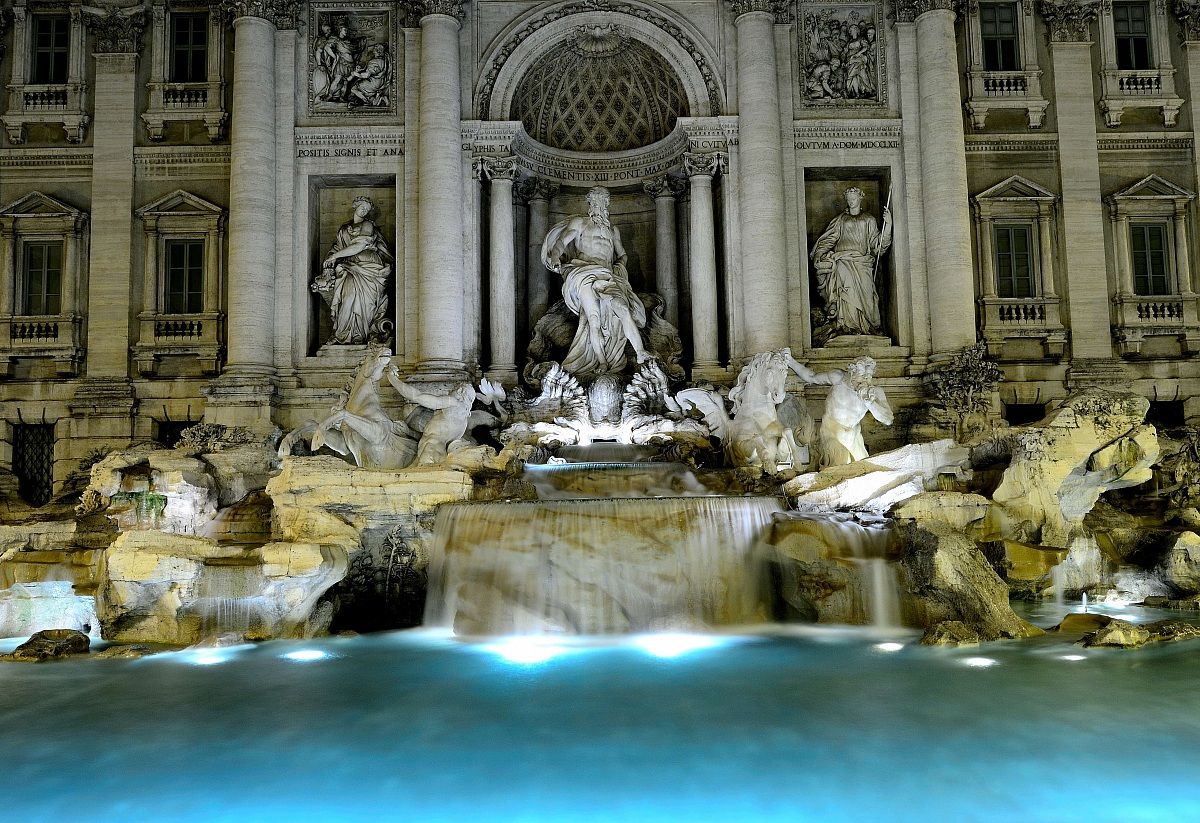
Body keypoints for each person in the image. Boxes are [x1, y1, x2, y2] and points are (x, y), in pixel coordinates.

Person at [540, 186, 652, 377]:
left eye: (604, 201)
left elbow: (622, 254)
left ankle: (641, 352)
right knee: (594, 319)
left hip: (607, 276)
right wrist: (555, 256)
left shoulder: (612, 230)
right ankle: (601, 362)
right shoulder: (580, 223)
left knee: (623, 309)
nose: (601, 205)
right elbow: (561, 242)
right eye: (597, 201)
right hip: (584, 273)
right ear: (590, 204)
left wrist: (620, 267)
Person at [810, 186, 892, 338]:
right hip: (842, 260)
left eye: (853, 198)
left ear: (860, 198)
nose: (851, 201)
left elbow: (878, 246)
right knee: (845, 289)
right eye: (848, 199)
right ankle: (846, 325)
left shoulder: (869, 220)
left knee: (868, 294)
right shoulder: (840, 220)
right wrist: (820, 253)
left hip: (862, 263)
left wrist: (888, 226)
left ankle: (867, 327)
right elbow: (829, 239)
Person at [788, 355, 892, 467]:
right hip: (831, 432)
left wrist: (870, 404)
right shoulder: (838, 378)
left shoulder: (874, 392)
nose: (865, 381)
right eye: (861, 376)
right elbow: (811, 377)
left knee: (864, 468)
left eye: (868, 376)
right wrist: (790, 360)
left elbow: (888, 419)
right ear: (852, 372)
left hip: (853, 436)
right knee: (842, 462)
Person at [316, 196, 392, 344]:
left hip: (369, 268)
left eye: (367, 210)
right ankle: (342, 335)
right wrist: (331, 258)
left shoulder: (368, 225)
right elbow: (337, 248)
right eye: (362, 207)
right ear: (355, 206)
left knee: (366, 304)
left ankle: (360, 336)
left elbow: (359, 245)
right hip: (349, 267)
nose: (364, 211)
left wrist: (335, 256)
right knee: (348, 297)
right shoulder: (344, 229)